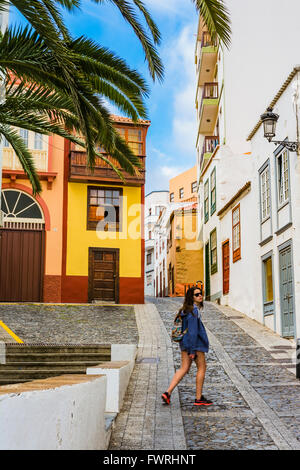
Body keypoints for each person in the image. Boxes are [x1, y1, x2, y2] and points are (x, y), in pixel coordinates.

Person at [161, 286, 212, 406]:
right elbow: (193, 332)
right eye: (197, 294)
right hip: (195, 345)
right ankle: (198, 398)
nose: (200, 296)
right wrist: (192, 350)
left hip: (185, 343)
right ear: (191, 297)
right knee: (202, 368)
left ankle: (167, 393)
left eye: (201, 294)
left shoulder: (184, 310)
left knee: (184, 368)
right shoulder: (193, 311)